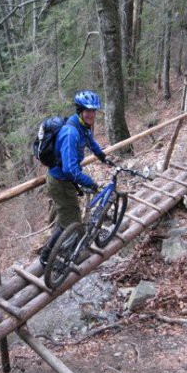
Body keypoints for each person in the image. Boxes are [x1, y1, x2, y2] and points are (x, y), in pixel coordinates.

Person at [39, 90, 109, 266]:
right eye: (87, 110)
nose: (91, 114)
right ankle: (47, 257)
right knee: (70, 222)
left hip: (65, 180)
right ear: (80, 110)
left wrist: (102, 157)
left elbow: (91, 142)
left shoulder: (82, 126)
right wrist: (89, 182)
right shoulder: (71, 133)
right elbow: (70, 169)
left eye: (94, 111)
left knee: (68, 217)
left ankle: (60, 248)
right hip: (61, 181)